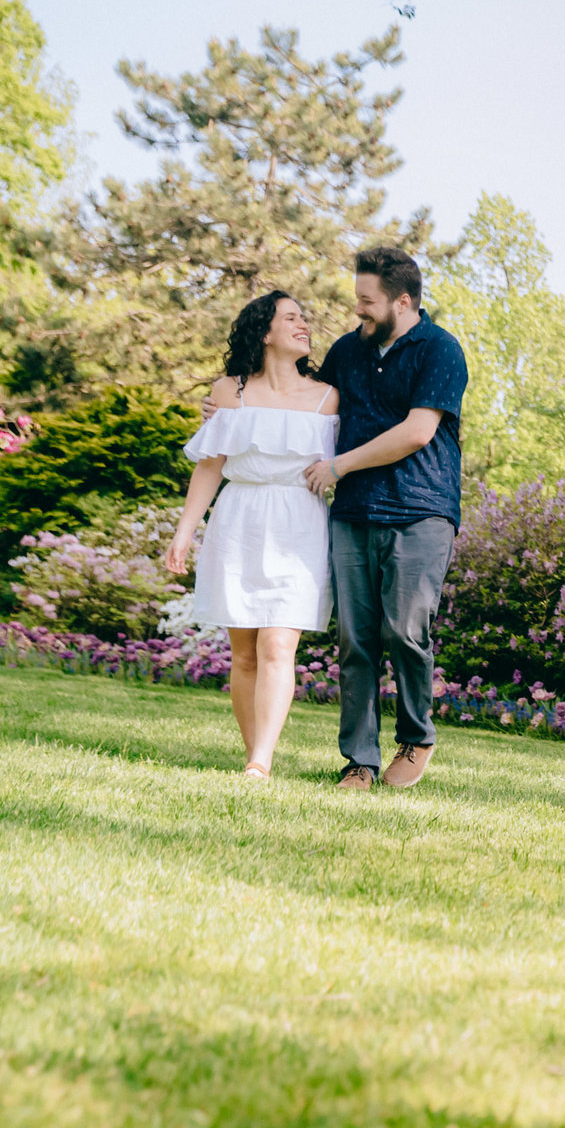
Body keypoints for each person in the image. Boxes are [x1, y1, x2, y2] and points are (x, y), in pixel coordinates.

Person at [303, 246, 468, 790]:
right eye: (358, 301)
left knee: (405, 630)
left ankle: (417, 738)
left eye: (368, 302)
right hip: (353, 511)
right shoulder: (348, 351)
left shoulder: (440, 349)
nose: (359, 312)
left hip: (421, 509)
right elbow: (307, 402)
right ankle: (360, 760)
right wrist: (230, 399)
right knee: (356, 640)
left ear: (403, 300)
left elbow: (417, 431)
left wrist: (339, 465)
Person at [168, 293, 337, 779]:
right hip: (239, 518)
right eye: (291, 318)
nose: (303, 324)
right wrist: (184, 533)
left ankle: (261, 761)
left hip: (300, 523)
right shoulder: (228, 392)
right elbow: (209, 467)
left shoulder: (329, 398)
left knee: (278, 646)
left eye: (304, 317)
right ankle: (253, 755)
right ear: (264, 332)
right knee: (243, 653)